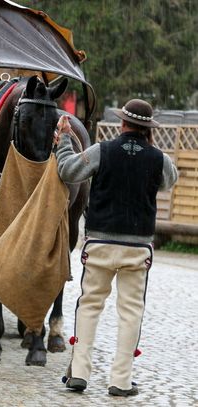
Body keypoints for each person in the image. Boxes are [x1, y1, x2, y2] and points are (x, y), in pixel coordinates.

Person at [54, 99, 178, 397]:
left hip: (99, 243)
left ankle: (80, 374)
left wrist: (65, 141)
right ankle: (121, 381)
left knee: (89, 305)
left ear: (122, 123)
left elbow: (68, 172)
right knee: (131, 312)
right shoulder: (158, 158)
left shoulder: (102, 151)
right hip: (137, 249)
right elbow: (169, 181)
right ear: (148, 128)